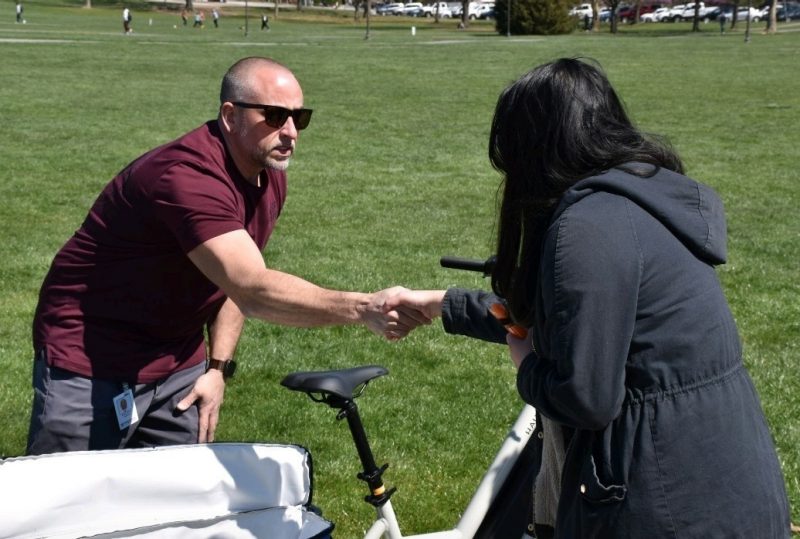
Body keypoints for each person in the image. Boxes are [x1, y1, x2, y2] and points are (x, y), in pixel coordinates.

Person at [387, 58, 791, 538]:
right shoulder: (643, 198)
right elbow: (569, 319)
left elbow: (585, 397)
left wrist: (528, 365)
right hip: (726, 482)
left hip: (665, 505)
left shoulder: (590, 225)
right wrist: (441, 304)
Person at [28, 57, 430, 456]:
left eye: (299, 118)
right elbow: (252, 289)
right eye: (274, 116)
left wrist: (217, 369)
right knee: (65, 504)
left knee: (178, 502)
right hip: (92, 358)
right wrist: (364, 307)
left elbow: (233, 284)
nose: (290, 132)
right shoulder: (186, 177)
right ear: (230, 116)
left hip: (179, 362)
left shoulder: (268, 175)